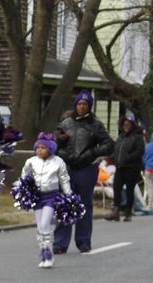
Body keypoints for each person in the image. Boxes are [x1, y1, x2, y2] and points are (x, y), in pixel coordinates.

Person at [55, 90, 114, 254]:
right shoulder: (66, 123)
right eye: (79, 104)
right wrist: (60, 144)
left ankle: (83, 241)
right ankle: (60, 243)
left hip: (87, 167)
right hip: (67, 167)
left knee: (84, 205)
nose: (82, 107)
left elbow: (109, 144)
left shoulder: (96, 124)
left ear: (89, 107)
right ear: (75, 105)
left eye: (85, 104)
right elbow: (52, 143)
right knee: (65, 202)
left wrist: (93, 153)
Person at [21, 132, 72, 268]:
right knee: (40, 227)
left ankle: (49, 255)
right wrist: (24, 190)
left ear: (50, 148)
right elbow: (24, 176)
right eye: (38, 147)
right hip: (38, 197)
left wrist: (68, 195)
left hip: (51, 196)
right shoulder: (31, 161)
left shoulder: (58, 161)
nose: (40, 150)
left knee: (45, 224)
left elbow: (64, 179)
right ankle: (43, 253)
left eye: (43, 147)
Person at [104, 116, 144, 222]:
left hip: (132, 167)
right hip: (120, 166)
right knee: (117, 187)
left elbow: (140, 151)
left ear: (132, 125)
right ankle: (116, 211)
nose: (126, 127)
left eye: (128, 124)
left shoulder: (137, 137)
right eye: (124, 125)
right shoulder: (120, 137)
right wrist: (112, 159)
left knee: (129, 190)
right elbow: (117, 151)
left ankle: (128, 213)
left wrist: (128, 158)